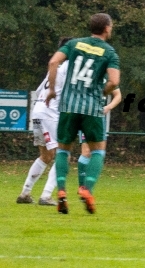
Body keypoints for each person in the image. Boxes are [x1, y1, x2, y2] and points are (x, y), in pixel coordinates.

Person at [45, 13, 120, 214]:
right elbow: (114, 82)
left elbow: (53, 63)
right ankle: (86, 189)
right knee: (98, 150)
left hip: (68, 106)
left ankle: (61, 192)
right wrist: (101, 92)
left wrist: (52, 90)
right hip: (92, 108)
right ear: (106, 28)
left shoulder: (74, 44)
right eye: (111, 26)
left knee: (63, 149)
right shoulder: (109, 52)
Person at [17, 37, 73, 206]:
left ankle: (25, 193)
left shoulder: (54, 71)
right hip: (50, 114)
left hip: (38, 111)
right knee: (64, 155)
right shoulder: (68, 67)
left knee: (46, 155)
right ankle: (46, 195)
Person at [77, 86, 122, 192]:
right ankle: (82, 186)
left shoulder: (107, 77)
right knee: (86, 151)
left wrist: (108, 107)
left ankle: (87, 187)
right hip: (85, 116)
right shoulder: (85, 74)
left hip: (99, 119)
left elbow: (118, 95)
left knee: (98, 152)